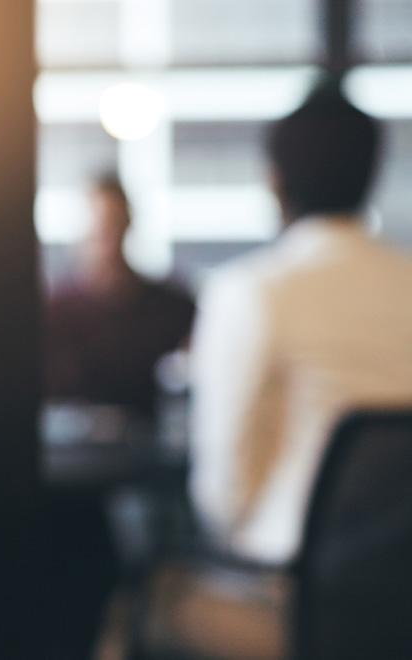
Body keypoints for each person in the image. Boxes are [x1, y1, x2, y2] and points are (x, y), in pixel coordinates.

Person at [153, 79, 412, 659]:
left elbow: (223, 498)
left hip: (292, 605)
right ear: (372, 173)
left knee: (151, 600)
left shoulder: (252, 292)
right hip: (402, 608)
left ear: (274, 181)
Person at [45, 173, 195, 414]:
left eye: (114, 226)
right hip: (70, 435)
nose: (108, 241)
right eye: (99, 229)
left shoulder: (169, 307)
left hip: (146, 434)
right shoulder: (53, 311)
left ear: (128, 224)